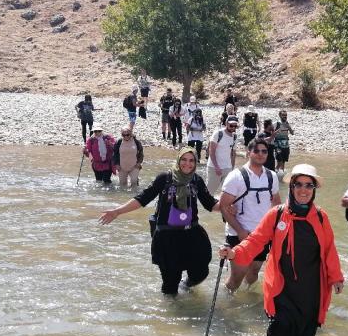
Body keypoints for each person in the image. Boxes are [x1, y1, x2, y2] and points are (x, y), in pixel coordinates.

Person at [219, 164, 344, 336]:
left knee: (306, 328)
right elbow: (256, 241)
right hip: (282, 285)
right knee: (281, 323)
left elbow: (329, 249)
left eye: (309, 185)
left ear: (314, 190)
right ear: (292, 187)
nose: (303, 190)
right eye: (298, 185)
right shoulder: (276, 214)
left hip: (312, 287)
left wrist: (336, 277)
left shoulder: (321, 217)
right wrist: (235, 253)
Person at [99, 147, 222, 296]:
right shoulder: (165, 178)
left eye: (191, 160)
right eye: (184, 159)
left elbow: (210, 204)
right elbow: (143, 198)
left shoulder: (197, 180)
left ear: (196, 163)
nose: (187, 164)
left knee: (200, 272)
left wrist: (228, 204)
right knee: (170, 287)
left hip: (192, 235)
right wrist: (117, 211)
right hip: (167, 238)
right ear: (178, 160)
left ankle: (185, 285)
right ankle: (171, 313)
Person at [219, 138, 281, 292]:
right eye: (256, 151)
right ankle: (227, 306)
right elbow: (224, 206)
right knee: (236, 279)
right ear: (248, 153)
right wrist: (240, 231)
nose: (260, 154)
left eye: (264, 151)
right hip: (239, 235)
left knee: (253, 274)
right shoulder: (236, 176)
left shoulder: (271, 176)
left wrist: (277, 231)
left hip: (262, 236)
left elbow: (277, 206)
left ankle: (248, 303)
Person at [206, 115, 238, 194]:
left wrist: (232, 169)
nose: (233, 128)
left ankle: (220, 206)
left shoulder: (235, 137)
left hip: (227, 168)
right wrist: (216, 167)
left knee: (227, 192)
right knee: (209, 193)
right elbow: (211, 151)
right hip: (214, 167)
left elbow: (233, 154)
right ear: (226, 123)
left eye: (235, 126)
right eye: (231, 125)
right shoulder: (218, 133)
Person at [274, 110, 294, 175]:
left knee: (284, 162)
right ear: (280, 116)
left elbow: (292, 133)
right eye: (283, 115)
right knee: (279, 161)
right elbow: (271, 133)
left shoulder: (287, 123)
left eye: (286, 115)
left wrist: (289, 127)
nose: (285, 117)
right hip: (278, 145)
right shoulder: (276, 123)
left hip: (286, 145)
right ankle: (274, 174)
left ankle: (281, 175)